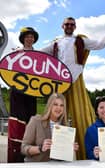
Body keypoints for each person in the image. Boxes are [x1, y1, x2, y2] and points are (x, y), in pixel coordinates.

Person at [41, 17, 105, 159]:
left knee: (81, 112)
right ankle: (56, 153)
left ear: (75, 27)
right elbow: (39, 53)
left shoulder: (81, 40)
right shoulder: (56, 43)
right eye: (67, 24)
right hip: (60, 81)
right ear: (62, 26)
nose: (69, 26)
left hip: (76, 79)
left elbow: (100, 44)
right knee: (57, 114)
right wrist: (22, 52)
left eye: (72, 24)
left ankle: (87, 151)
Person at [8, 27, 39, 163]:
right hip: (17, 94)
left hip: (32, 94)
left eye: (32, 36)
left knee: (31, 124)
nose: (29, 39)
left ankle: (29, 156)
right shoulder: (15, 53)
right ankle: (15, 159)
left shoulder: (39, 56)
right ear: (23, 38)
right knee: (17, 125)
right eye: (27, 36)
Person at [21, 93, 79, 162]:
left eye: (62, 105)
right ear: (49, 105)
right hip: (38, 165)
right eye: (55, 104)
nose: (58, 108)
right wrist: (40, 148)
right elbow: (23, 148)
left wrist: (71, 149)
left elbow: (66, 155)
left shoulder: (66, 127)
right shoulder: (36, 121)